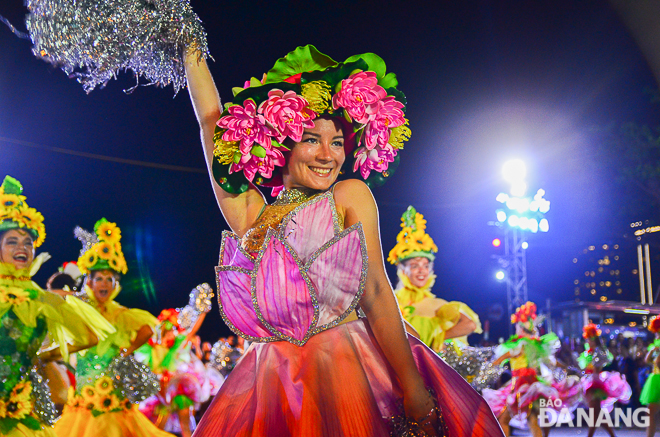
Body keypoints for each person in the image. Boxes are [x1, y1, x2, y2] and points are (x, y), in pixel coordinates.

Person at [184, 44, 503, 436]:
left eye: (337, 142)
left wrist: (412, 384)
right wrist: (189, 46)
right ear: (284, 145)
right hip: (270, 389)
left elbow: (376, 293)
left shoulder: (348, 196)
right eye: (312, 140)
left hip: (348, 372)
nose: (327, 155)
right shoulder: (253, 217)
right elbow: (209, 121)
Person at [0, 175, 113, 437]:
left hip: (18, 409)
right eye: (12, 241)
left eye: (28, 242)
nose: (23, 248)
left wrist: (42, 355)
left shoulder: (44, 298)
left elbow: (88, 336)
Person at [54, 219, 174, 437]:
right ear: (89, 282)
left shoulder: (121, 313)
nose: (104, 284)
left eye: (109, 279)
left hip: (112, 391)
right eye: (98, 278)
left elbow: (147, 330)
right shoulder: (81, 307)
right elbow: (57, 296)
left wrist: (126, 351)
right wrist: (76, 296)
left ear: (114, 285)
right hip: (84, 393)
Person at [388, 205, 482, 350]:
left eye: (426, 266)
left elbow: (469, 324)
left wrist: (438, 339)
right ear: (402, 269)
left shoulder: (436, 305)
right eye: (414, 266)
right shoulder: (390, 300)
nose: (422, 271)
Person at [482, 302, 580, 437]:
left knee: (510, 419)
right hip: (528, 384)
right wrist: (565, 366)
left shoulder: (521, 344)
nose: (516, 328)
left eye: (517, 325)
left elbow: (507, 355)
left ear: (521, 327)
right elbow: (551, 361)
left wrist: (494, 363)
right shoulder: (536, 344)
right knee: (528, 419)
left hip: (523, 385)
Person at [136, 285, 217, 437]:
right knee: (158, 426)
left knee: (185, 425)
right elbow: (152, 370)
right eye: (168, 332)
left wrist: (202, 313)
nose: (172, 334)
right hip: (160, 393)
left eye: (174, 330)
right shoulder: (153, 350)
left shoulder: (179, 345)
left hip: (178, 391)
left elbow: (191, 331)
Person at [578, 323, 631, 437]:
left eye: (589, 339)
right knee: (596, 414)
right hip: (590, 382)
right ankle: (611, 435)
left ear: (593, 340)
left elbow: (597, 367)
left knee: (595, 414)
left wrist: (591, 366)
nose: (587, 341)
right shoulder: (589, 353)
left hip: (595, 383)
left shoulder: (598, 352)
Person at [642, 316, 660, 437]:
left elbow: (657, 362)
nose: (656, 335)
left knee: (651, 412)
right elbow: (647, 360)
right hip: (655, 379)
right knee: (651, 412)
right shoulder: (656, 346)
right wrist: (652, 351)